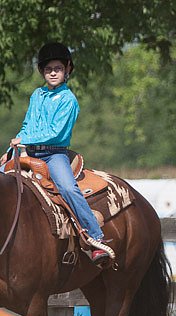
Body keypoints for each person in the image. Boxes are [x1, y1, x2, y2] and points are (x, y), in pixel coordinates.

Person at [11, 42, 111, 264]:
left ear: (67, 70)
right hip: (29, 152)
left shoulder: (68, 100)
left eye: (57, 68)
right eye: (48, 69)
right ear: (42, 72)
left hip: (54, 154)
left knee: (67, 188)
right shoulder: (37, 95)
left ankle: (95, 237)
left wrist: (25, 139)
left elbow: (55, 132)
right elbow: (27, 124)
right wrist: (15, 144)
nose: (53, 72)